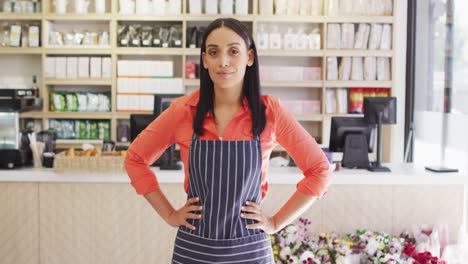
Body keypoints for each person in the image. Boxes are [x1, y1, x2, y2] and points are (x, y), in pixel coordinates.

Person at [125, 18, 331, 263]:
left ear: (250, 57)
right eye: (213, 52)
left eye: (234, 51)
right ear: (204, 60)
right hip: (194, 248)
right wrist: (169, 214)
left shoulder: (270, 111)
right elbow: (135, 159)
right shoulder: (183, 110)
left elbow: (320, 171)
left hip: (250, 249)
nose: (223, 61)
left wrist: (275, 222)